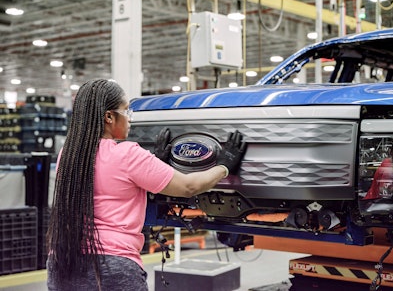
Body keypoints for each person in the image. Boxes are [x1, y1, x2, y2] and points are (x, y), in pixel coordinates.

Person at [46, 78, 246, 291]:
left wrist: (155, 164)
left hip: (62, 262)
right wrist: (224, 166)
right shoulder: (127, 154)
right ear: (109, 117)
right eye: (127, 112)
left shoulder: (67, 156)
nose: (130, 120)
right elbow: (189, 186)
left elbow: (112, 184)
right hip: (112, 266)